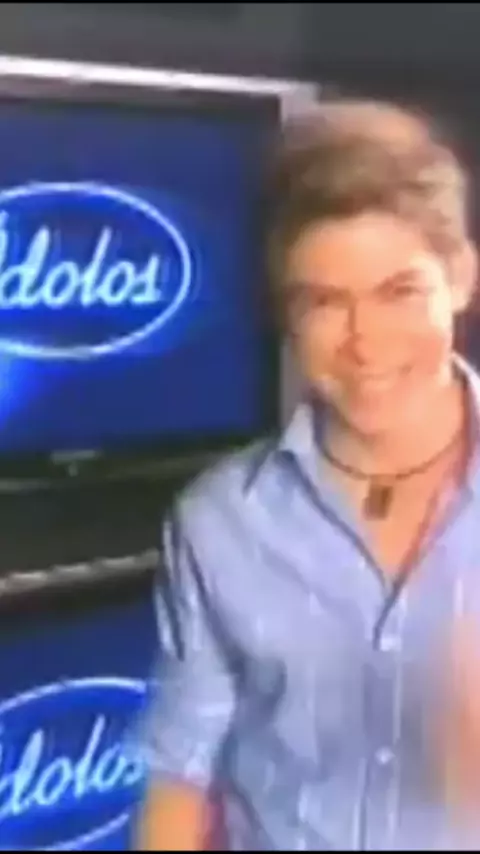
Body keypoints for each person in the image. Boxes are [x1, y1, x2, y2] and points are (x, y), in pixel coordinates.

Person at [136, 98, 480, 850]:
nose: (366, 341)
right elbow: (178, 779)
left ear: (461, 277)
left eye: (399, 291)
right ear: (287, 319)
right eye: (326, 302)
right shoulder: (220, 521)